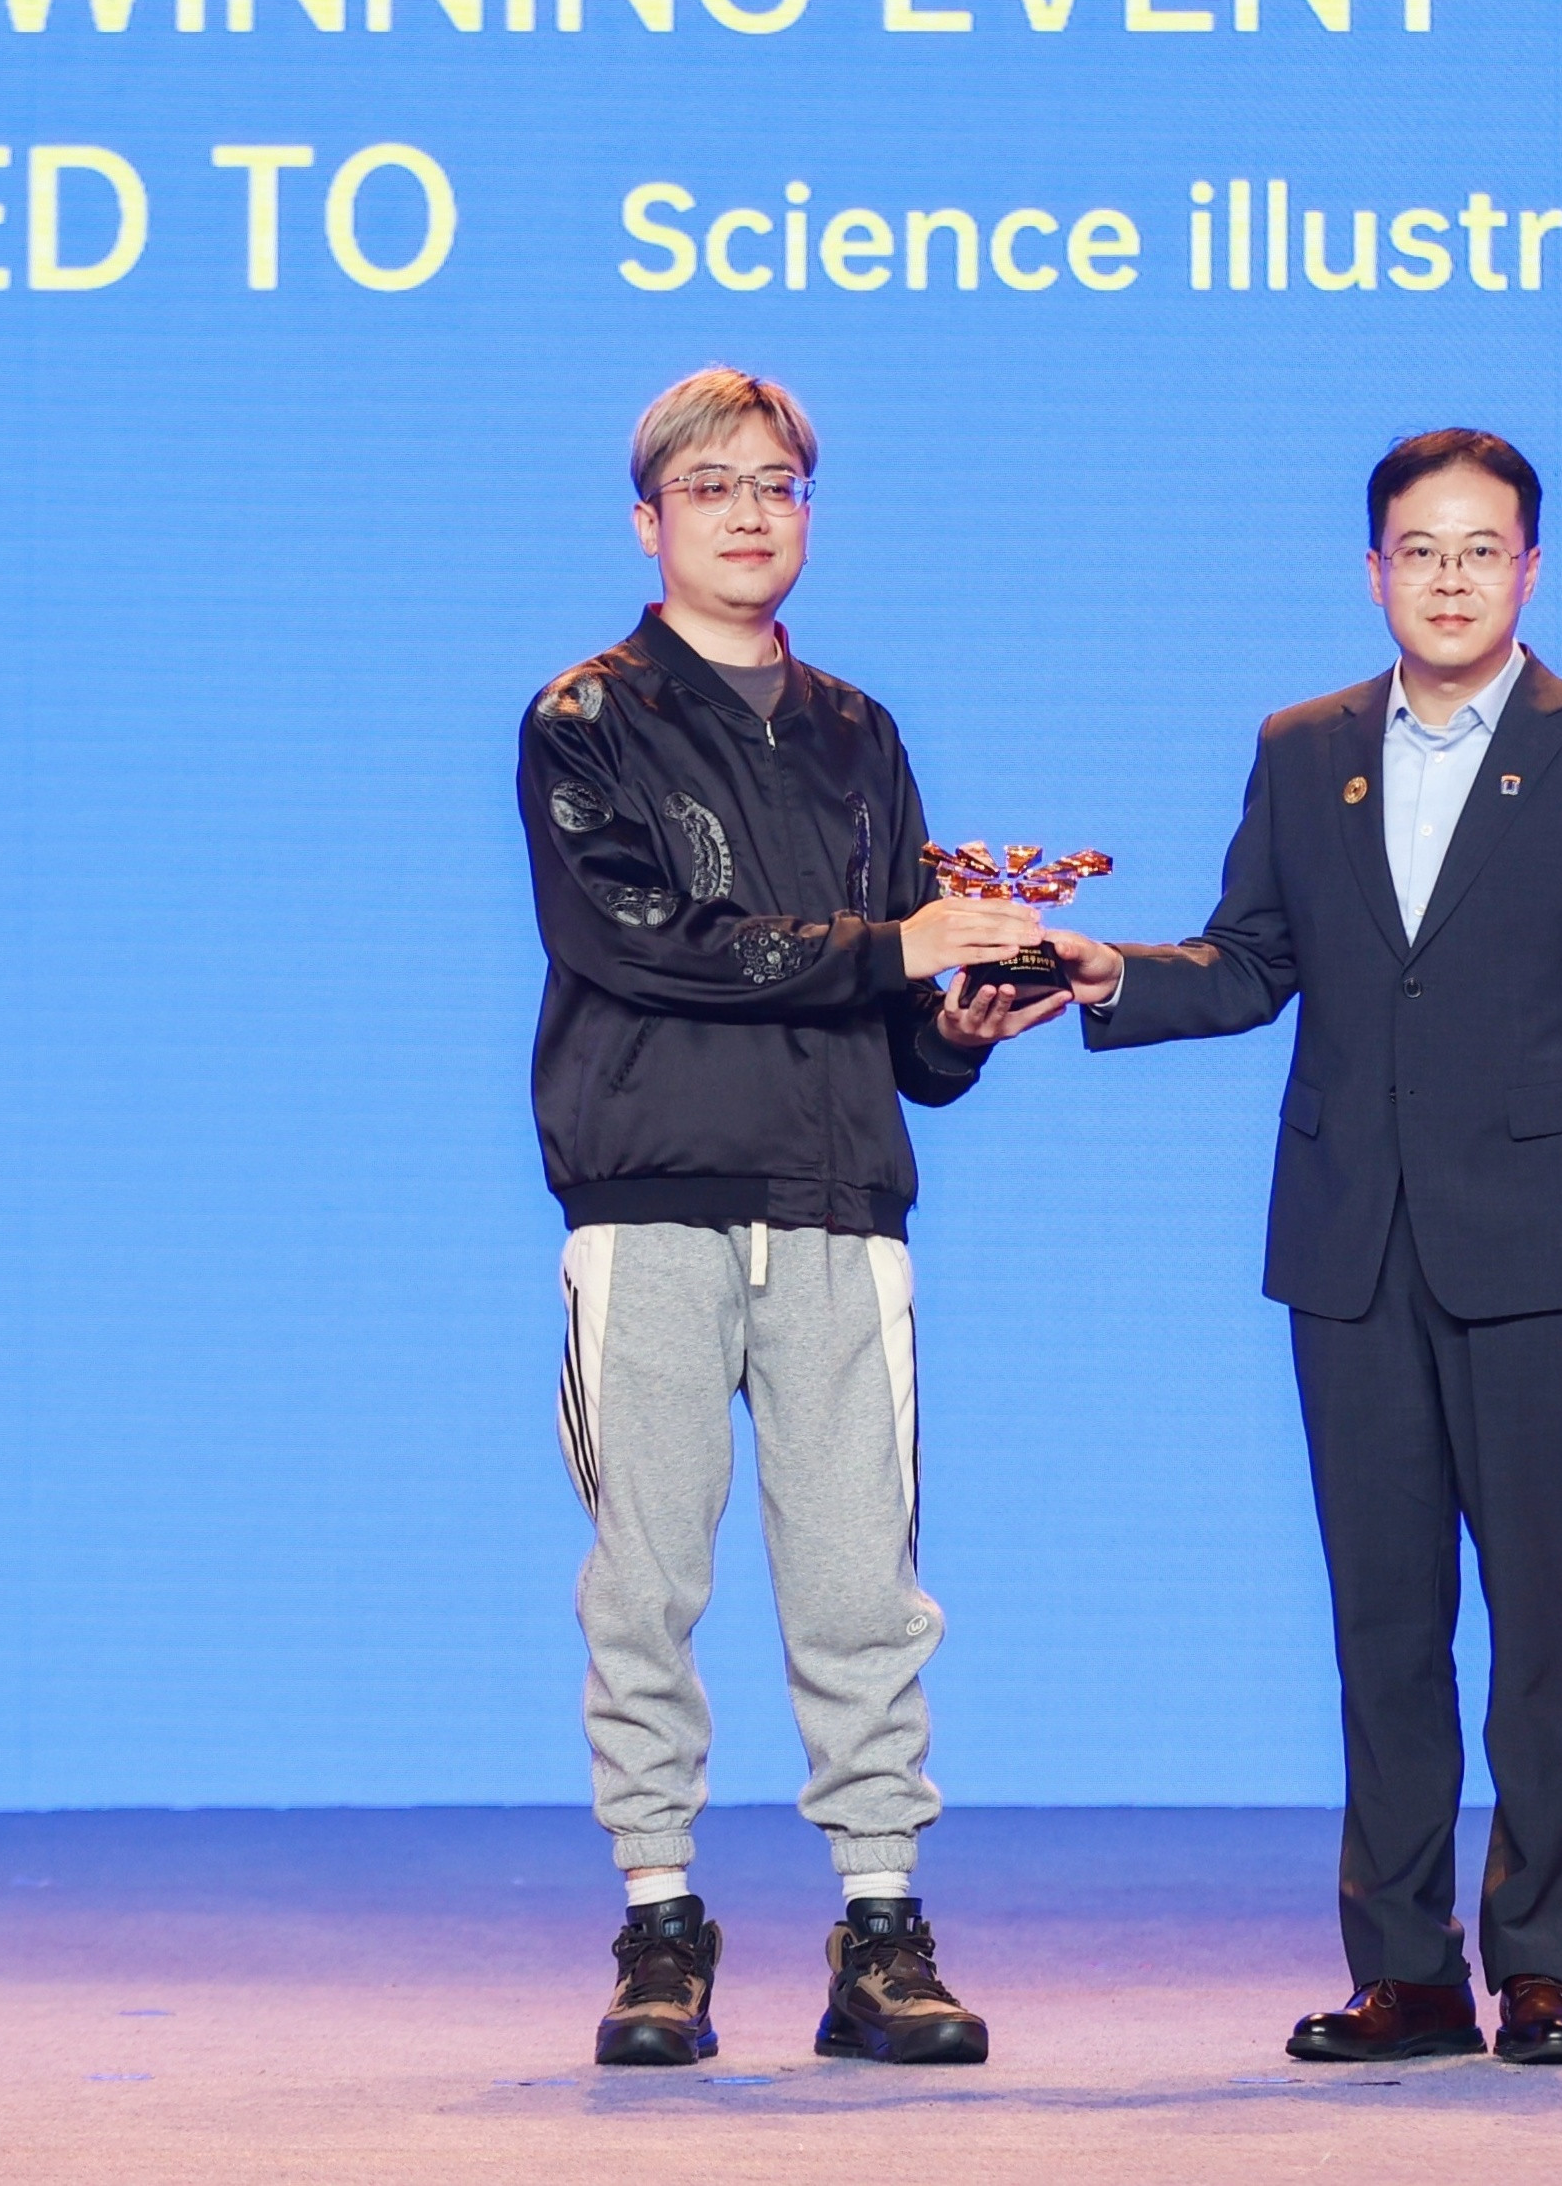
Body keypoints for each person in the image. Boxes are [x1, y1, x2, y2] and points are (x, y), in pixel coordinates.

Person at [1044, 430, 1562, 2066]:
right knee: (1382, 1626)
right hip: (1349, 1249)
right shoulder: (1301, 749)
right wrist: (1107, 973)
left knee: (1542, 1622)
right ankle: (1406, 1972)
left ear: (1530, 569)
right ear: (1372, 571)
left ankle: (1539, 1970)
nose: (1450, 578)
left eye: (1482, 550)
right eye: (1420, 550)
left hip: (1545, 1252)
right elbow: (1249, 959)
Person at [515, 367, 1066, 2069]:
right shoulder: (584, 718)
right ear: (649, 522)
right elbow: (640, 942)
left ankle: (879, 1927)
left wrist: (956, 1018)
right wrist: (892, 949)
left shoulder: (857, 731)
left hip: (838, 1203)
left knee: (860, 1584)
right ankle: (659, 1923)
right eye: (713, 486)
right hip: (652, 1198)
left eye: (778, 485)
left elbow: (899, 1014)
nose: (750, 513)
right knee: (645, 1580)